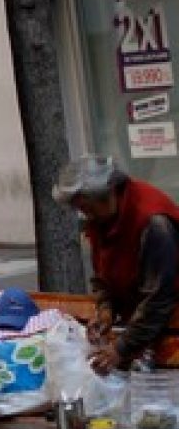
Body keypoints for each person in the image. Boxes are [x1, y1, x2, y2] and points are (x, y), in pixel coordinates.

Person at [53, 154, 179, 375]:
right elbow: (103, 278)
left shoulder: (153, 223)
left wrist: (120, 349)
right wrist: (105, 311)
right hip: (147, 332)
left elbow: (157, 299)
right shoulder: (102, 220)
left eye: (88, 208)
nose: (87, 215)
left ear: (108, 194)